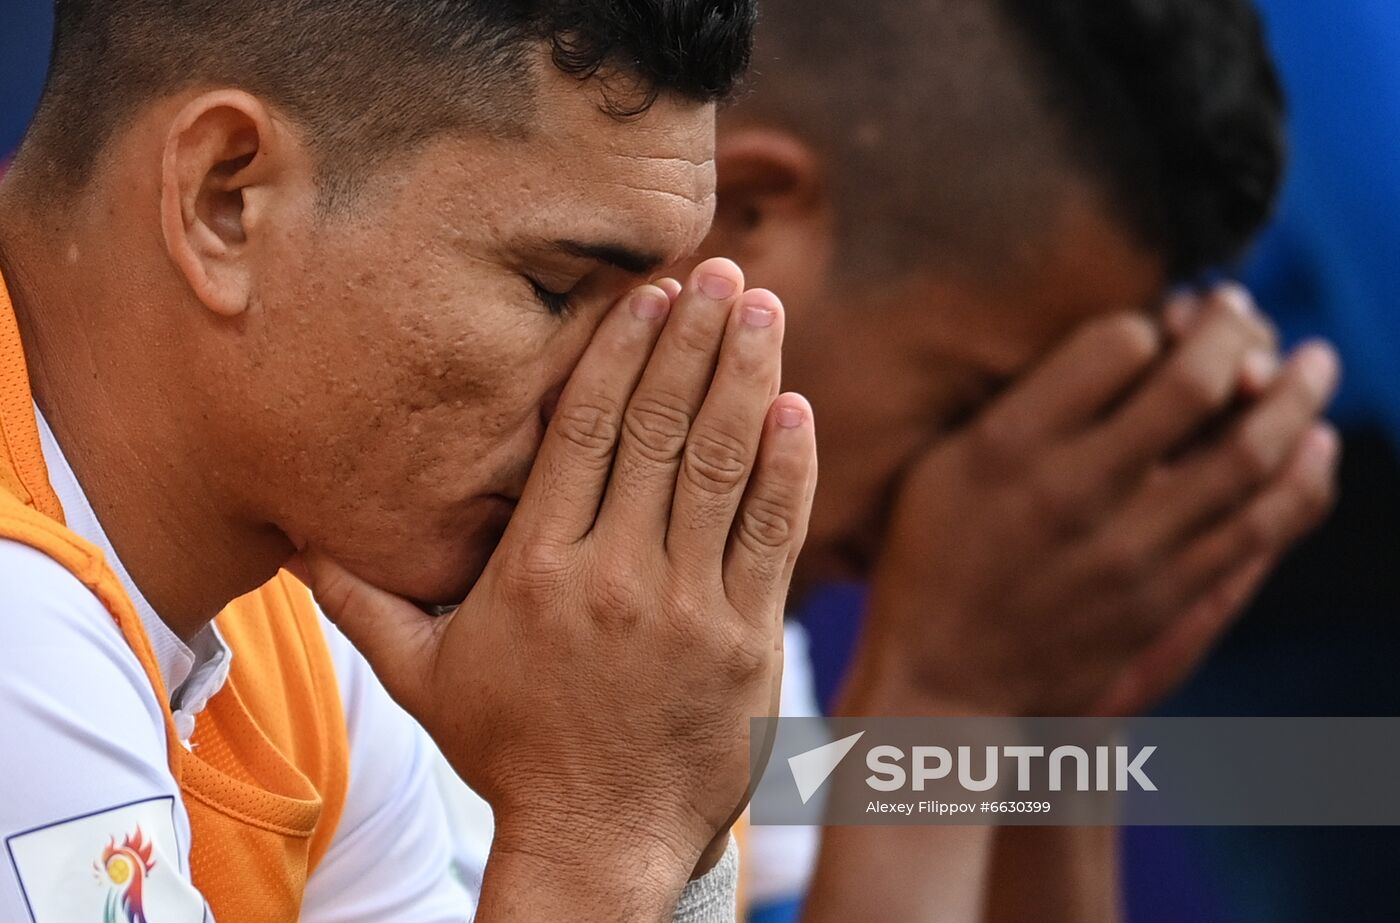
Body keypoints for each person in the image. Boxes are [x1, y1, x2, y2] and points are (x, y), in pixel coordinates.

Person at [0, 2, 820, 922]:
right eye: (555, 289)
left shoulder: (289, 611)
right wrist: (607, 831)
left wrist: (662, 817)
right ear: (224, 197)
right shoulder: (15, 631)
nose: (611, 401)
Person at [690, 0, 1338, 918]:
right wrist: (944, 693)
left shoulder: (744, 662)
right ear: (746, 210)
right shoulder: (433, 611)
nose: (974, 495)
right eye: (971, 406)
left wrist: (1055, 715)